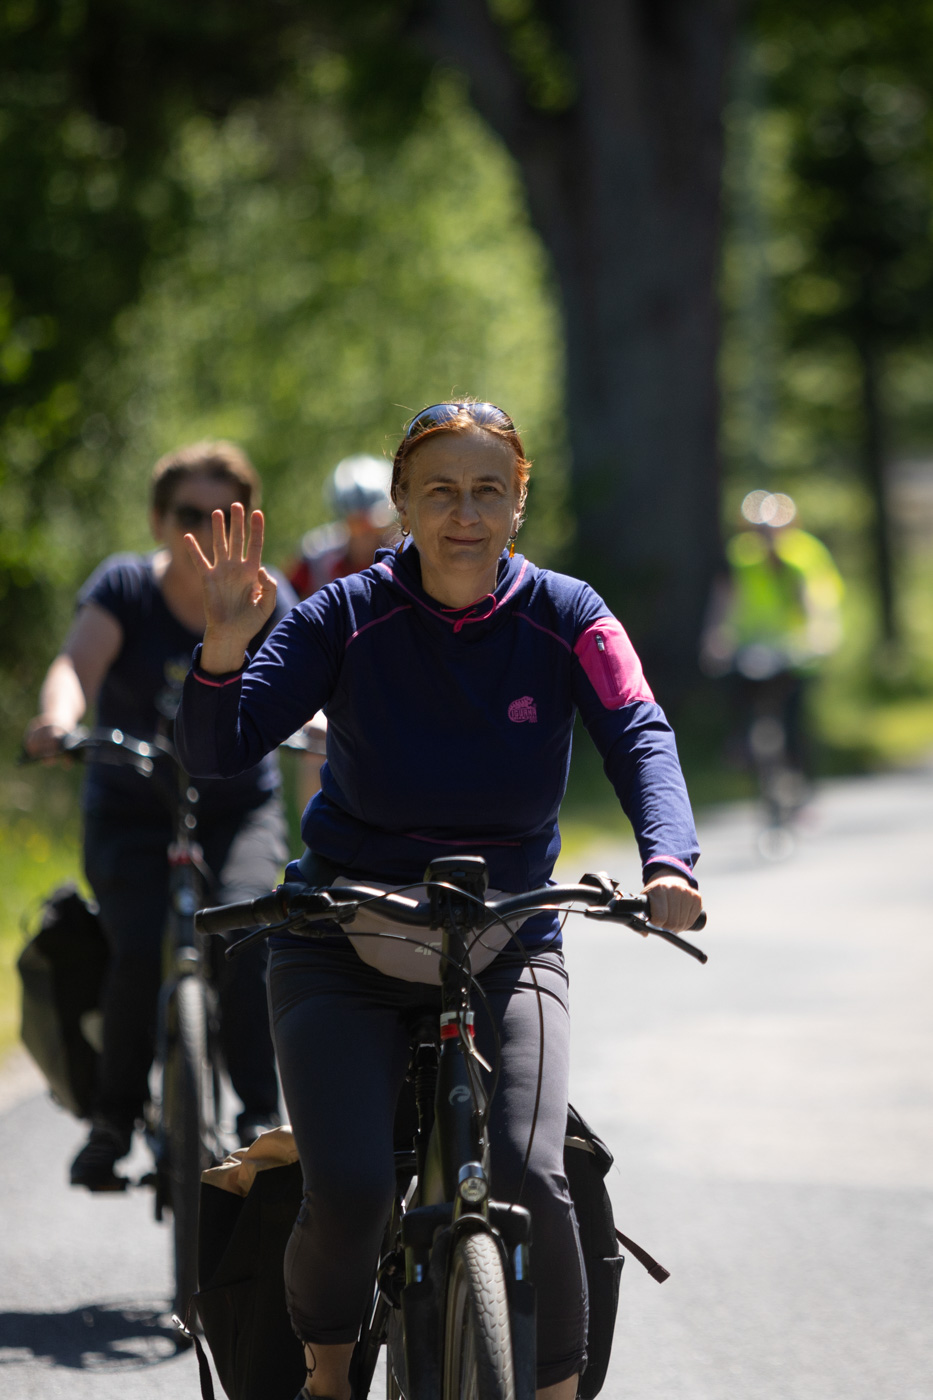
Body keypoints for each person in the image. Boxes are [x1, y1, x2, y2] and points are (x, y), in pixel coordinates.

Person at [175, 401, 703, 1400]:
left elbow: (638, 727)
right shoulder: (342, 613)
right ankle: (329, 1374)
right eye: (442, 492)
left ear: (519, 501)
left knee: (532, 1178)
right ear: (403, 503)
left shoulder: (569, 614)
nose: (466, 513)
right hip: (340, 934)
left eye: (488, 490)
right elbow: (218, 750)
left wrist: (668, 860)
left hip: (507, 936)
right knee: (352, 1189)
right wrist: (222, 648)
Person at [24, 440, 297, 1189]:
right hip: (132, 809)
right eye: (188, 514)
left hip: (237, 810)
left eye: (223, 515)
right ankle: (114, 1119)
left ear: (247, 526)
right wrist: (57, 720)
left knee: (249, 929)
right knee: (140, 943)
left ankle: (257, 1115)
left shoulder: (266, 599)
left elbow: (307, 687)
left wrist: (329, 730)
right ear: (157, 519)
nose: (205, 531)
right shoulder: (124, 588)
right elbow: (75, 666)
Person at [701, 489, 844, 777]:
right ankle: (741, 747)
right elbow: (725, 597)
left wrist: (820, 632)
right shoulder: (741, 555)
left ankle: (799, 769)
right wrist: (715, 636)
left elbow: (816, 599)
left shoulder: (803, 554)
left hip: (794, 646)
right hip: (753, 645)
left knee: (794, 715)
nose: (766, 536)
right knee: (737, 694)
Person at [287, 453, 398, 600]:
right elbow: (284, 601)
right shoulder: (316, 557)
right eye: (356, 521)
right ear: (343, 518)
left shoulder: (405, 554)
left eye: (374, 519)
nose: (365, 529)